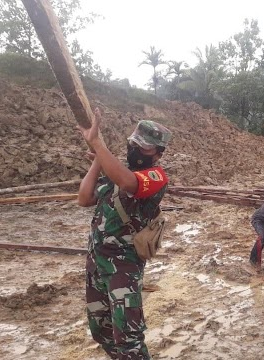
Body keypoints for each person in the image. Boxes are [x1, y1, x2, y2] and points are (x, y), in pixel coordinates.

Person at [77, 108, 171, 359]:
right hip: (96, 262)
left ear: (159, 153)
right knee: (101, 330)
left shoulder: (156, 177)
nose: (136, 150)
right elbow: (84, 197)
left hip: (123, 266)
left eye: (145, 147)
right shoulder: (115, 175)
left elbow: (130, 183)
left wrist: (97, 143)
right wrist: (98, 159)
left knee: (128, 338)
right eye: (133, 143)